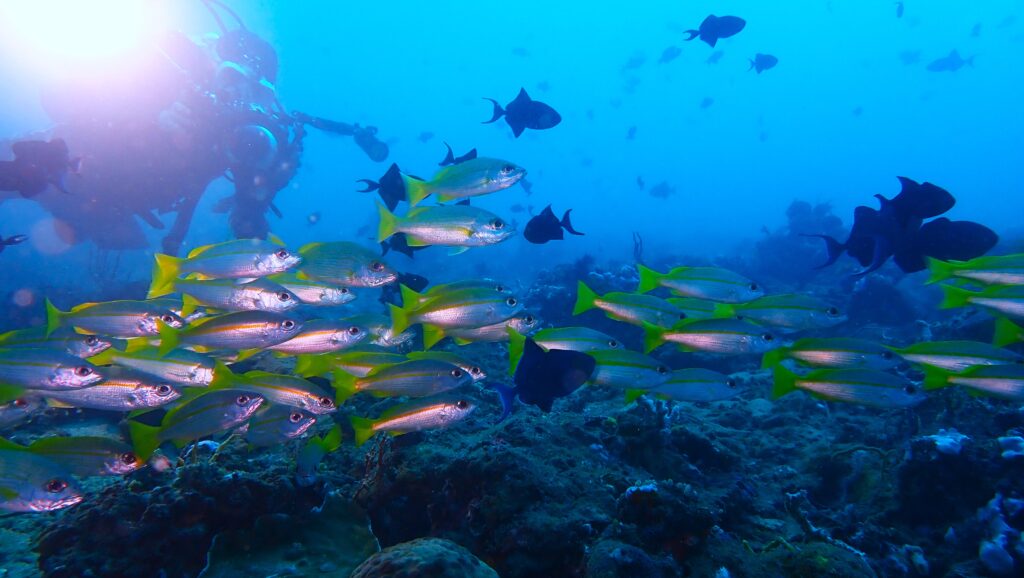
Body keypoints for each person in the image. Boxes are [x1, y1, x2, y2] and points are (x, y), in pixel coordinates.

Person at [1, 0, 388, 255]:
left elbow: (248, 223)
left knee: (104, 237)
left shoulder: (262, 135)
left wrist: (265, 187)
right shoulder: (167, 77)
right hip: (68, 161)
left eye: (255, 88)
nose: (239, 96)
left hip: (119, 201)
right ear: (215, 66)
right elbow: (67, 101)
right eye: (232, 78)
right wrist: (148, 116)